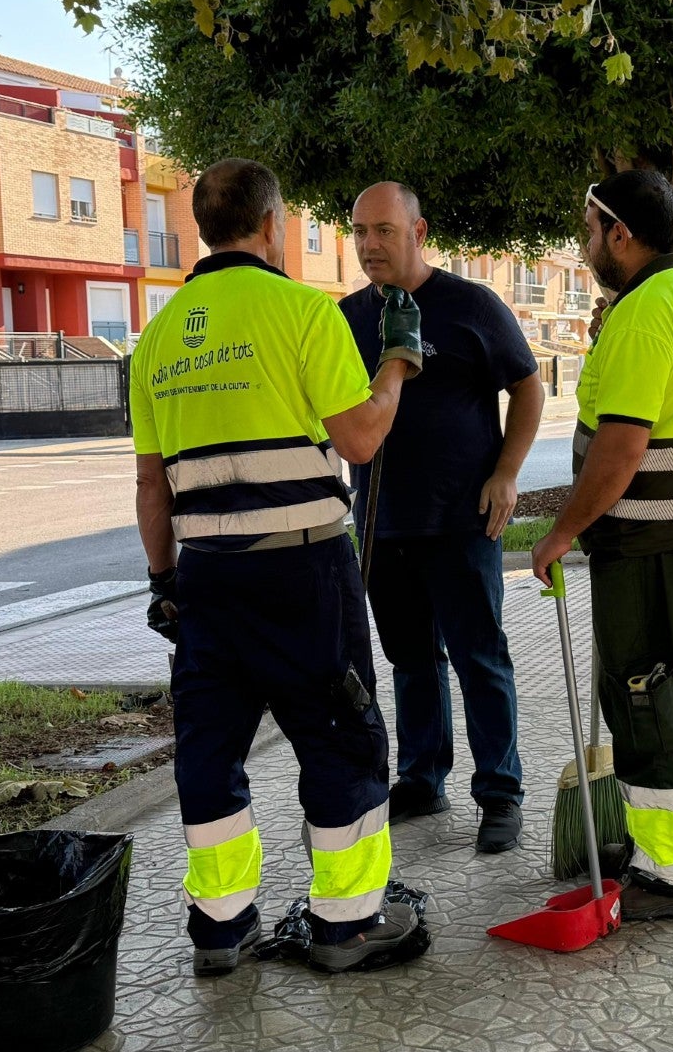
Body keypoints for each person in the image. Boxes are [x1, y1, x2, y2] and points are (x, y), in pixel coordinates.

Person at [132, 159, 428, 977]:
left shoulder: (155, 339)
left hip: (206, 581)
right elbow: (362, 438)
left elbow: (151, 484)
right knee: (342, 739)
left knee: (210, 751)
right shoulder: (305, 312)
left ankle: (220, 930)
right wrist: (398, 363)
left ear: (203, 228)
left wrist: (164, 586)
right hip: (303, 574)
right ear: (270, 225)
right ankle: (348, 925)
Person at [530, 169, 673, 921]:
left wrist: (563, 531)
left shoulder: (648, 311)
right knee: (672, 697)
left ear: (621, 232)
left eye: (590, 230)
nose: (586, 244)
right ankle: (656, 847)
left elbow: (620, 447)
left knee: (647, 701)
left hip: (654, 538)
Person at [340, 181, 545, 853]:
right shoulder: (344, 320)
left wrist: (507, 473)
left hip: (462, 519)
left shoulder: (470, 306)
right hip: (380, 520)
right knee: (410, 660)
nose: (369, 244)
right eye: (360, 231)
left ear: (418, 231)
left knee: (479, 657)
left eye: (383, 231)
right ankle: (423, 778)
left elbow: (527, 385)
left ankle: (501, 792)